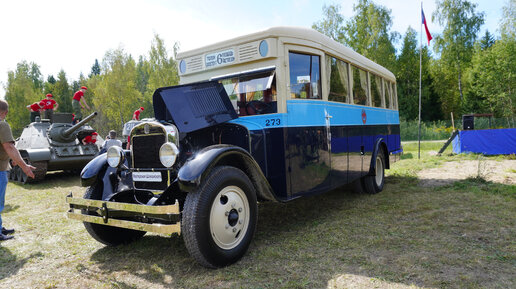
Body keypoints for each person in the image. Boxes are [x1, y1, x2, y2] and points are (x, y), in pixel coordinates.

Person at [0, 100, 36, 241]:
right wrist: (25, 166)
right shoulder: (2, 124)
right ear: (5, 112)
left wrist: (11, 159)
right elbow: (10, 147)